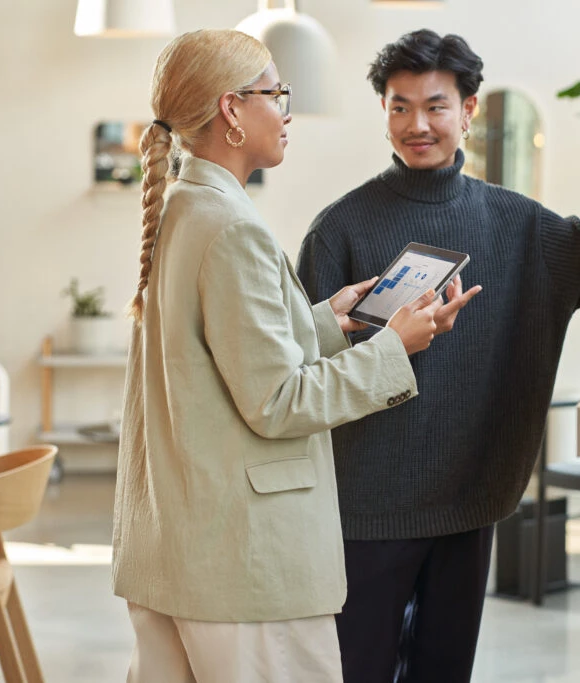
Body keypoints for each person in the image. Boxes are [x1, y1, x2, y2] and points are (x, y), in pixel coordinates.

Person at [111, 29, 445, 683]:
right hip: (242, 563)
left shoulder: (185, 207)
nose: (287, 110)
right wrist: (392, 348)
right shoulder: (232, 228)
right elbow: (277, 401)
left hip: (177, 550)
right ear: (232, 111)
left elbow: (210, 363)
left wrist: (325, 321)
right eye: (275, 93)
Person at [296, 29, 580, 683]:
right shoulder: (340, 229)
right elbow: (304, 370)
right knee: (355, 671)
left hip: (471, 498)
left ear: (469, 109)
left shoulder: (521, 225)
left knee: (444, 672)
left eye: (436, 105)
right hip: (366, 506)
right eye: (399, 106)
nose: (417, 124)